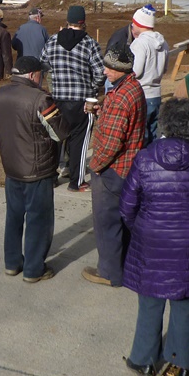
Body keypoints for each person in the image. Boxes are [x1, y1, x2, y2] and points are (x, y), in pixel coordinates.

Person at [120, 98, 189, 376]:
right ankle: (180, 364)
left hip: (152, 243)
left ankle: (143, 360)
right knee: (185, 306)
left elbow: (127, 206)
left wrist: (142, 228)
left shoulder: (144, 158)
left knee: (150, 303)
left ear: (165, 124)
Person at [0, 56, 70, 283]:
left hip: (11, 169)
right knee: (38, 220)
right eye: (40, 74)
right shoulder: (41, 100)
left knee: (13, 217)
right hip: (38, 170)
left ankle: (12, 263)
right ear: (33, 75)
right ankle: (34, 269)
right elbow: (60, 133)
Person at [81, 42, 146, 287]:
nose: (105, 71)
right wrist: (101, 110)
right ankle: (125, 266)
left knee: (106, 222)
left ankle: (109, 273)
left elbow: (112, 142)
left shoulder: (120, 98)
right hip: (128, 169)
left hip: (113, 171)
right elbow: (123, 125)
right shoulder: (131, 88)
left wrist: (95, 167)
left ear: (122, 69)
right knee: (124, 221)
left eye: (109, 68)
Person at [41, 5, 106, 192]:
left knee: (55, 139)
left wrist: (56, 78)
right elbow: (100, 73)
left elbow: (44, 64)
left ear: (67, 21)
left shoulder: (52, 41)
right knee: (80, 142)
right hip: (82, 101)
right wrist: (92, 88)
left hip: (58, 99)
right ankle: (76, 182)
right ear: (83, 23)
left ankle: (51, 177)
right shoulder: (90, 44)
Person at [128, 4, 168, 144]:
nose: (132, 27)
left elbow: (136, 71)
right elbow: (164, 69)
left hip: (142, 95)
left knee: (140, 138)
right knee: (152, 135)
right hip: (156, 95)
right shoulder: (163, 43)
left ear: (139, 24)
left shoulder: (139, 43)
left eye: (133, 24)